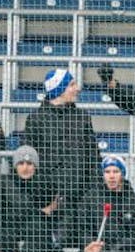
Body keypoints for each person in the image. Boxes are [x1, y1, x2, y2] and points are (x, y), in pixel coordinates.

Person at [22, 69, 100, 208]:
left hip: (79, 197)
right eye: (72, 84)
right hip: (45, 197)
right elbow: (27, 157)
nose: (77, 88)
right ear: (59, 89)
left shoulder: (82, 117)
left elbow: (93, 156)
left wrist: (91, 192)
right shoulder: (36, 119)